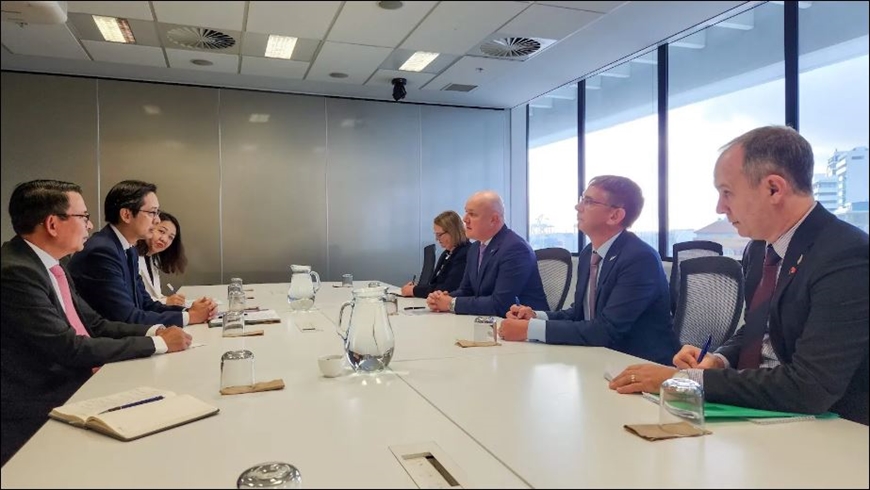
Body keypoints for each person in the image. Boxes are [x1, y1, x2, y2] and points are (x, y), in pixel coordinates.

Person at [609, 126, 869, 425]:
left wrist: (685, 381)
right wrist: (719, 360)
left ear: (774, 189)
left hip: (835, 428)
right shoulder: (759, 249)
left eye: (727, 192)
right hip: (763, 415)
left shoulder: (846, 255)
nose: (720, 207)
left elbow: (811, 386)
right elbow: (758, 329)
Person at [0, 180, 193, 466]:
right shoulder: (16, 272)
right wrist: (157, 343)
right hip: (39, 405)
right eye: (84, 217)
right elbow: (70, 348)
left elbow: (96, 325)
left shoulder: (51, 264)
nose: (90, 226)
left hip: (76, 382)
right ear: (52, 224)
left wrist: (158, 333)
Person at [499, 176, 679, 365]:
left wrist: (529, 330)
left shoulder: (639, 258)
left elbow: (607, 330)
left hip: (640, 364)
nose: (578, 207)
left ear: (615, 216)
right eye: (582, 199)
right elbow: (579, 314)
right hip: (599, 359)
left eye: (589, 201)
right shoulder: (588, 254)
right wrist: (535, 316)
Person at [68, 180, 216, 326]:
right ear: (126, 215)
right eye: (152, 213)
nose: (157, 220)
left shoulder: (129, 250)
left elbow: (146, 304)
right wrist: (191, 317)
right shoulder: (102, 252)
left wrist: (188, 311)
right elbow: (126, 318)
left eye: (157, 213)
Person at [427, 190, 548, 316]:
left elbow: (501, 304)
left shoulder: (515, 249)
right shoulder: (475, 248)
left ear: (493, 219)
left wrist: (451, 303)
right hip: (490, 321)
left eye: (472, 214)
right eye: (466, 212)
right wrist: (441, 299)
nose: (465, 219)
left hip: (523, 323)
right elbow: (467, 290)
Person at [400, 211, 470, 298]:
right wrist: (417, 288)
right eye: (436, 234)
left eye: (439, 235)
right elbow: (435, 284)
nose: (437, 239)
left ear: (453, 232)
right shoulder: (446, 253)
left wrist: (413, 290)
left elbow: (447, 289)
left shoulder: (465, 254)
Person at [136, 211, 187, 306]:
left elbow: (154, 296)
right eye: (161, 231)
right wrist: (166, 301)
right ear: (150, 228)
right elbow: (136, 299)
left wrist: (168, 299)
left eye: (170, 237)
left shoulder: (154, 260)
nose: (164, 239)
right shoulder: (132, 256)